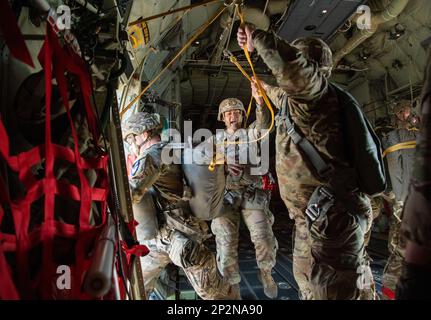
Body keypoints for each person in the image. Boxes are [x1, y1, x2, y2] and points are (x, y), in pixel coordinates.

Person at [239, 25, 374, 299]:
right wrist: (262, 88)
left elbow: (292, 70)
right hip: (314, 220)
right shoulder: (298, 102)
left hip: (333, 219)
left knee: (336, 291)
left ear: (311, 68)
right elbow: (280, 95)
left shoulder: (316, 96)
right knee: (308, 285)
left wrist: (258, 39)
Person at [123, 112, 237, 300]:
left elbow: (133, 193)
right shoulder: (172, 148)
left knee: (214, 294)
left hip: (176, 235)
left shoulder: (151, 156)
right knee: (136, 285)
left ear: (143, 135)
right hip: (171, 232)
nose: (131, 143)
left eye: (131, 138)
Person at [210, 98, 279, 299]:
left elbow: (264, 124)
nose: (233, 116)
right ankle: (233, 285)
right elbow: (200, 160)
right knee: (226, 240)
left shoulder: (252, 134)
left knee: (263, 236)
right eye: (229, 113)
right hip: (226, 196)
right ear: (223, 118)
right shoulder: (215, 140)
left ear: (243, 115)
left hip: (252, 193)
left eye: (237, 112)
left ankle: (266, 272)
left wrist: (259, 103)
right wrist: (222, 163)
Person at [396, 50, 431, 300]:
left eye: (410, 111)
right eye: (404, 112)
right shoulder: (395, 135)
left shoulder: (414, 132)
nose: (408, 115)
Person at [380, 100, 419, 299]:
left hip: (408, 198)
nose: (408, 115)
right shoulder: (391, 136)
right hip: (403, 199)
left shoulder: (397, 137)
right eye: (404, 112)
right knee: (399, 247)